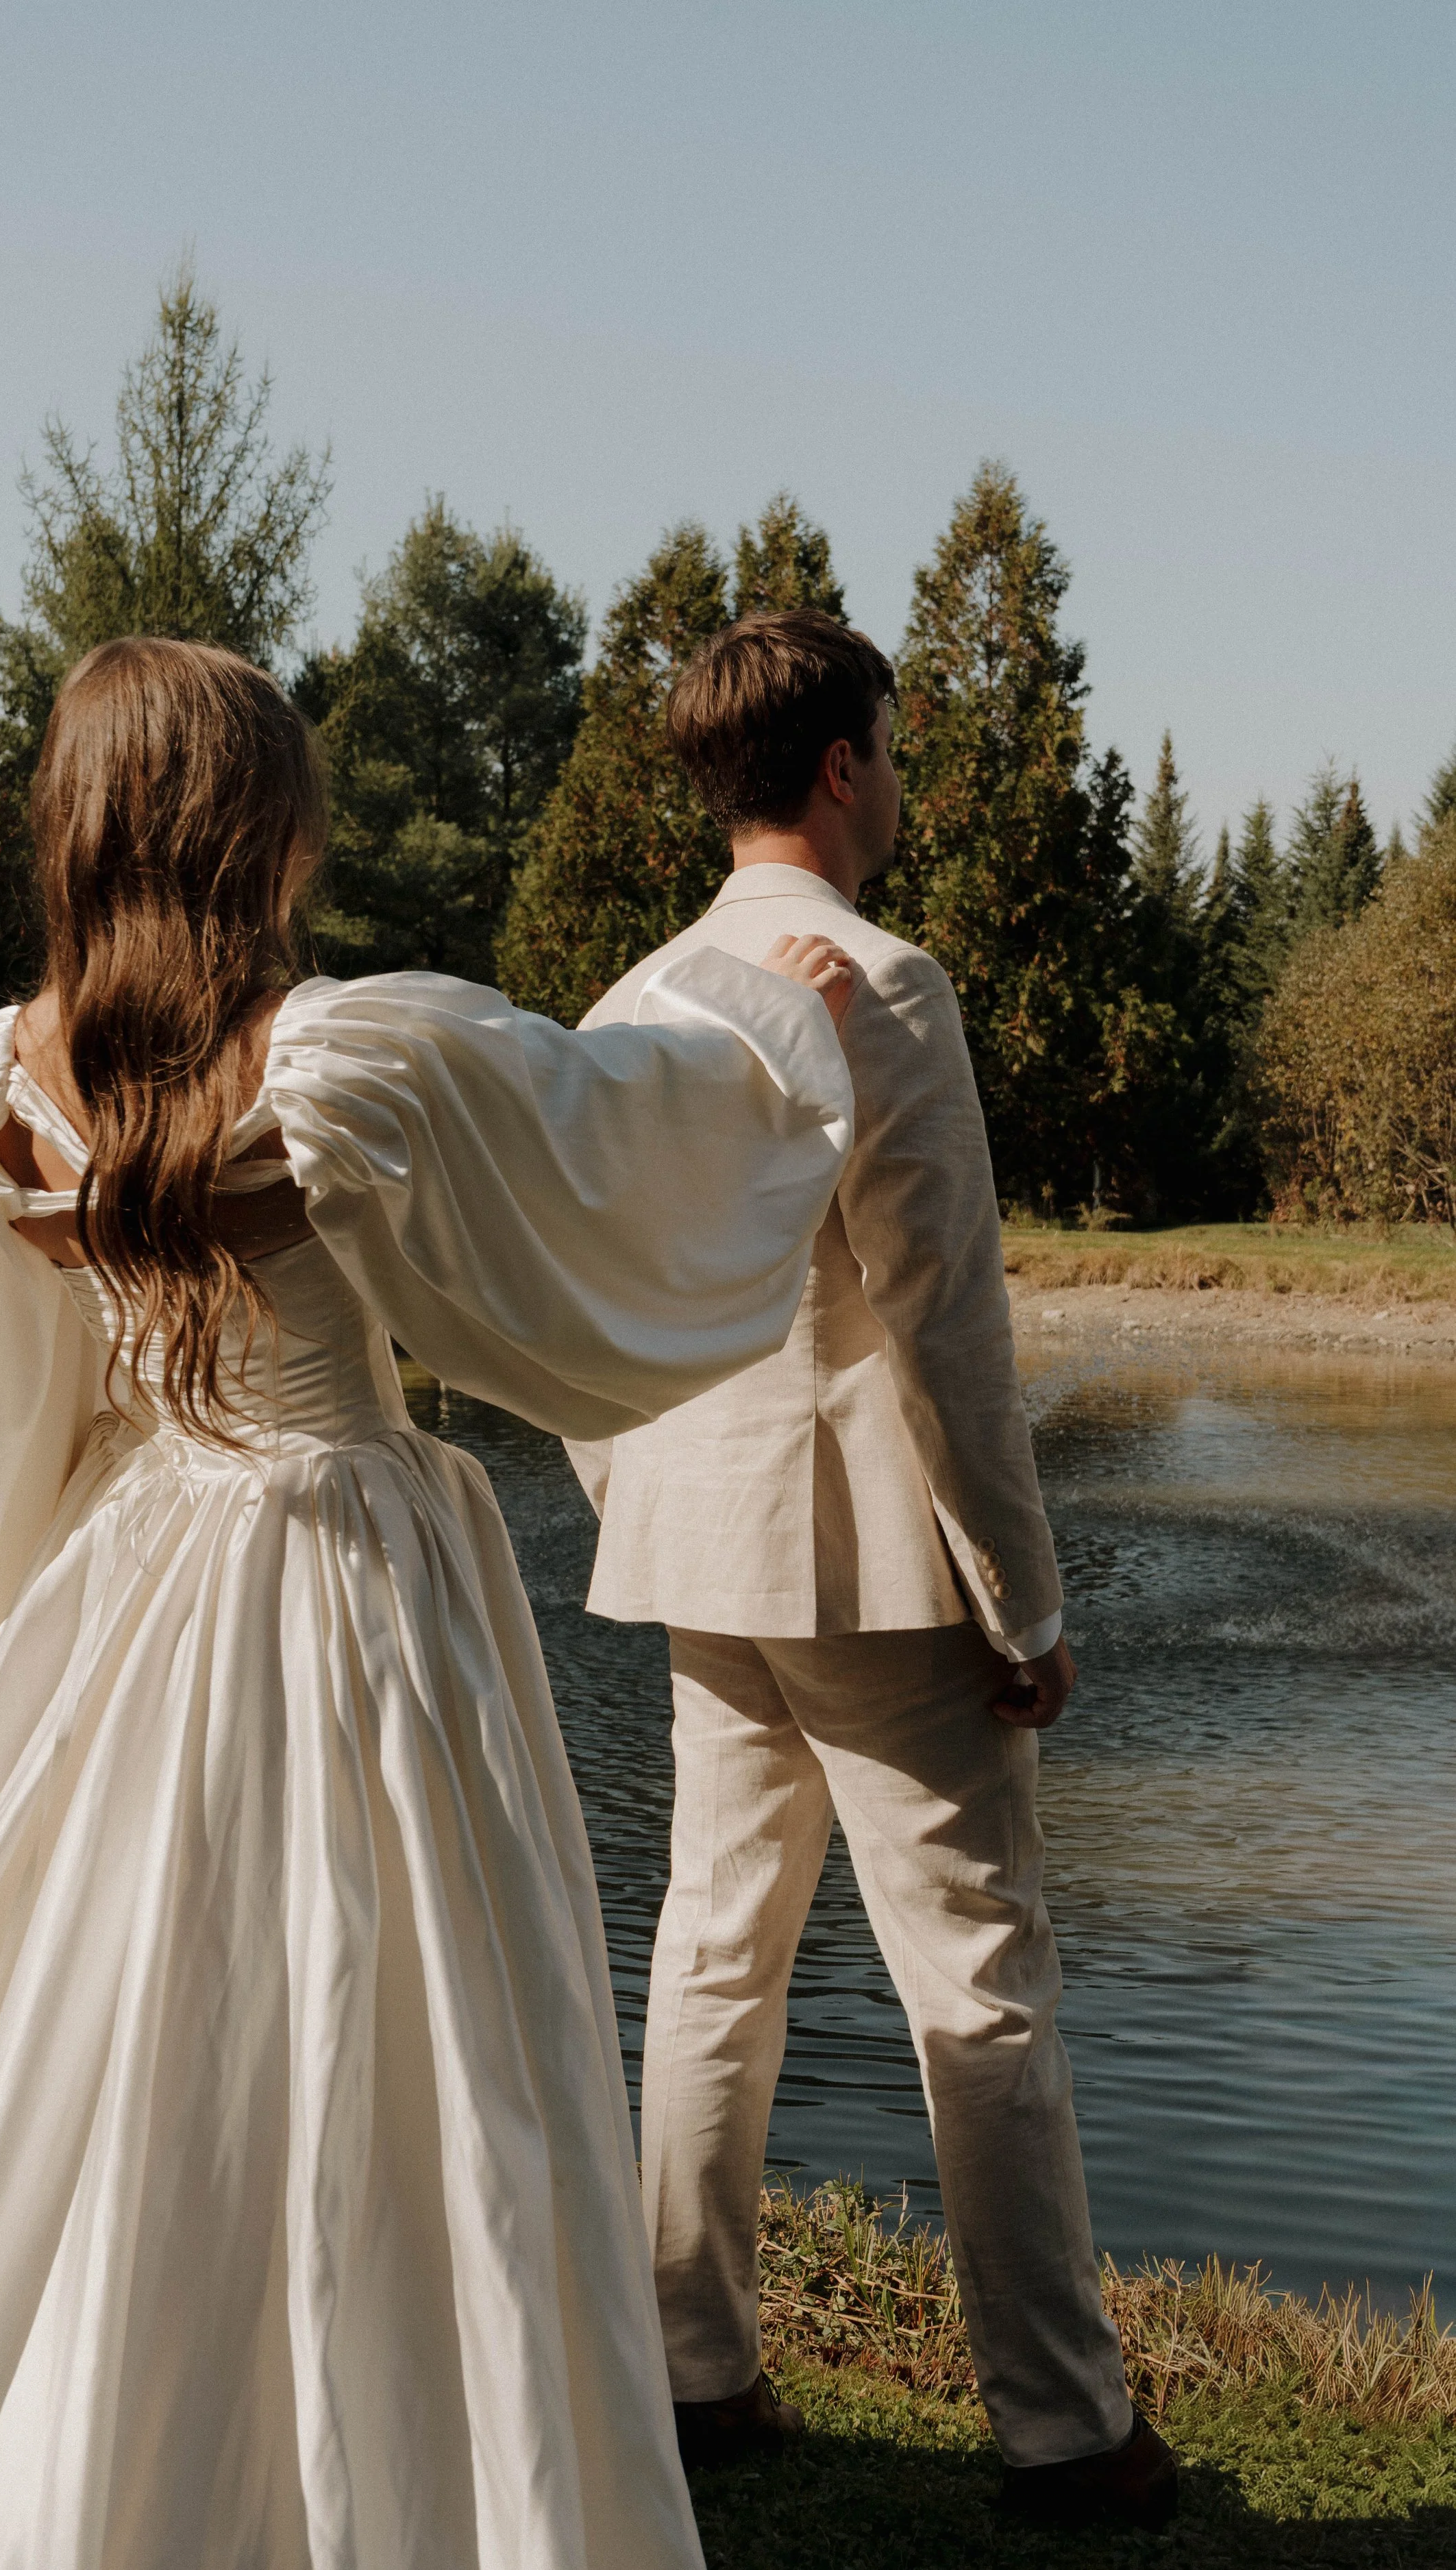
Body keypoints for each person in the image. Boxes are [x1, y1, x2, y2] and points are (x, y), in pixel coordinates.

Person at [0, 636, 861, 2570]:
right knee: (396, 2033)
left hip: (132, 1581)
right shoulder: (351, 1055)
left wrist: (4, 1687)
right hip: (345, 1582)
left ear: (81, 827)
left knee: (119, 2035)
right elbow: (615, 1153)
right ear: (257, 821)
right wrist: (782, 1031)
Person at [567, 611, 1178, 2534]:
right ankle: (1063, 2425)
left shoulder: (627, 999)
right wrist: (1026, 1597)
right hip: (876, 1574)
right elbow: (947, 1328)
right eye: (892, 750)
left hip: (701, 1551)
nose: (899, 781)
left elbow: (583, 1312)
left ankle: (692, 2366)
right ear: (838, 766)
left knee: (713, 1947)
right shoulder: (884, 985)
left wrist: (639, 1494)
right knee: (979, 1976)